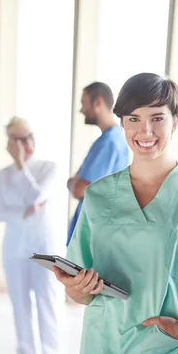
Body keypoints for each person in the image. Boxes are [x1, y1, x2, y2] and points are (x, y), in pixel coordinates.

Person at [53, 73, 178, 354]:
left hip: (165, 349)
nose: (145, 130)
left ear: (176, 120)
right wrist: (77, 288)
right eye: (133, 119)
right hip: (103, 347)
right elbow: (79, 291)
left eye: (157, 118)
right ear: (122, 123)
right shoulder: (98, 195)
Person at [0, 117, 60, 354]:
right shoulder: (2, 175)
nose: (26, 144)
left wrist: (22, 166)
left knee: (46, 306)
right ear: (10, 143)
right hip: (13, 251)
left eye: (29, 137)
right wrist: (25, 211)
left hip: (43, 248)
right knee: (20, 311)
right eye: (19, 140)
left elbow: (37, 195)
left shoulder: (48, 168)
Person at [66, 82, 130, 246]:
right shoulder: (109, 140)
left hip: (94, 236)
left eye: (84, 103)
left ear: (98, 102)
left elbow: (80, 188)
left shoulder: (109, 142)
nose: (81, 110)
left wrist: (73, 183)